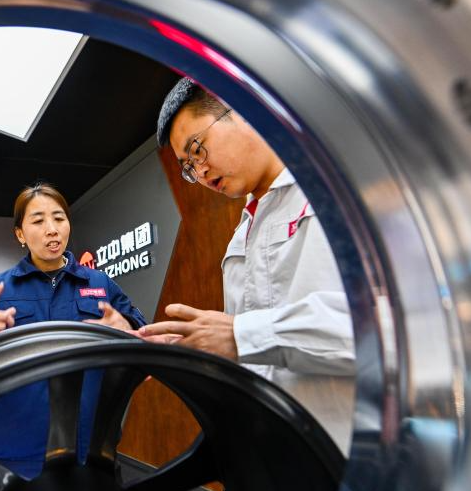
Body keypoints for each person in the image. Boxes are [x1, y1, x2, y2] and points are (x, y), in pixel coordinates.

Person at [141, 78, 355, 448]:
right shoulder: (241, 236)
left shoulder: (338, 189)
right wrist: (190, 347)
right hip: (280, 452)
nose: (200, 172)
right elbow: (256, 355)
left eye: (198, 150)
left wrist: (242, 334)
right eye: (189, 167)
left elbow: (391, 329)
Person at [0, 183, 146, 478]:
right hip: (10, 447)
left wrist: (127, 328)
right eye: (38, 221)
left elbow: (144, 339)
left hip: (88, 447)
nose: (52, 229)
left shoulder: (100, 284)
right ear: (20, 234)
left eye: (59, 218)